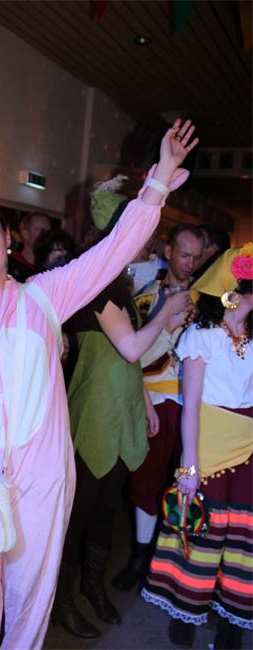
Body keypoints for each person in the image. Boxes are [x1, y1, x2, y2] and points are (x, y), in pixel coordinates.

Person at [0, 119, 199, 649]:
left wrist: (160, 180)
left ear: (7, 238)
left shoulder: (44, 297)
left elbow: (112, 251)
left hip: (40, 482)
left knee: (30, 603)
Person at [53, 252, 190, 638]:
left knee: (106, 509)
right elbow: (130, 348)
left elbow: (130, 358)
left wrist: (144, 401)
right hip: (96, 411)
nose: (143, 250)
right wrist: (166, 312)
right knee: (79, 514)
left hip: (120, 408)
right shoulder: (100, 289)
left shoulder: (118, 288)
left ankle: (92, 586)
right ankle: (60, 603)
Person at [142, 245, 253, 649]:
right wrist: (189, 466)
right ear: (236, 292)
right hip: (207, 447)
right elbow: (190, 407)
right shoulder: (201, 337)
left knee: (244, 542)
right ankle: (185, 607)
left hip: (248, 449)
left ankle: (233, 622)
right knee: (199, 532)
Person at [113, 223, 204, 592]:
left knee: (189, 484)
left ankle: (178, 561)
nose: (190, 263)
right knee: (145, 483)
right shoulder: (146, 298)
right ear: (169, 252)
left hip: (196, 407)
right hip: (155, 402)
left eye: (197, 256)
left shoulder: (210, 299)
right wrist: (167, 325)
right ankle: (140, 557)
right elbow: (133, 356)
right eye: (184, 254)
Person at [9, 211, 51, 280]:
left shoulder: (51, 269)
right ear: (25, 234)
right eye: (39, 229)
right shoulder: (10, 264)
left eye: (48, 231)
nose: (44, 235)